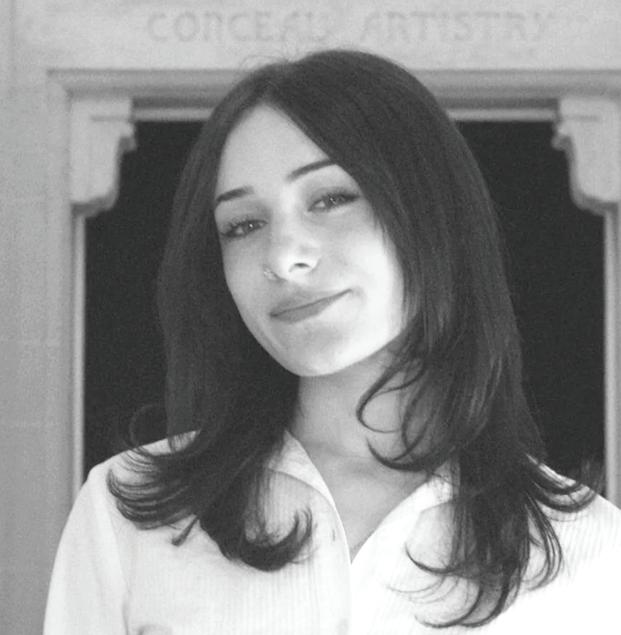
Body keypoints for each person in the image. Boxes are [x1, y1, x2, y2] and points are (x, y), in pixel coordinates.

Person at [44, 49, 621, 634]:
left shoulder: (592, 555)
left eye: (330, 199)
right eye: (243, 225)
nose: (283, 257)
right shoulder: (127, 514)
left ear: (430, 212)